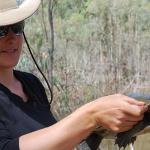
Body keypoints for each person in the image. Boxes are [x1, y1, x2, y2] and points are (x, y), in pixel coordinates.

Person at [0, 0, 148, 150]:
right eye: (1, 31)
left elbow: (55, 140)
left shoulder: (31, 83)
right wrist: (90, 115)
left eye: (17, 27)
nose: (12, 38)